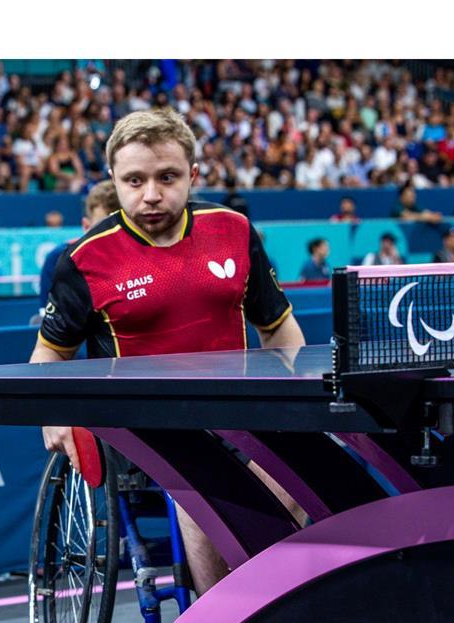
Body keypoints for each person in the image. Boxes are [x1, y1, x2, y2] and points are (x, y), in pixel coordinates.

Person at [33, 108, 305, 596]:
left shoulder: (234, 230)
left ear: (193, 175)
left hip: (238, 414)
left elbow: (281, 330)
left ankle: (267, 603)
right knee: (205, 491)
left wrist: (303, 401)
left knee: (303, 479)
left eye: (167, 177)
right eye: (135, 180)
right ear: (113, 180)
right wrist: (53, 418)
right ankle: (221, 620)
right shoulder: (83, 260)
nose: (152, 194)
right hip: (143, 429)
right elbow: (47, 357)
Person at [38, 180, 120, 311]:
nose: (112, 236)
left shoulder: (143, 257)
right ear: (86, 226)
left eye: (120, 228)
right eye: (104, 229)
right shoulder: (59, 258)